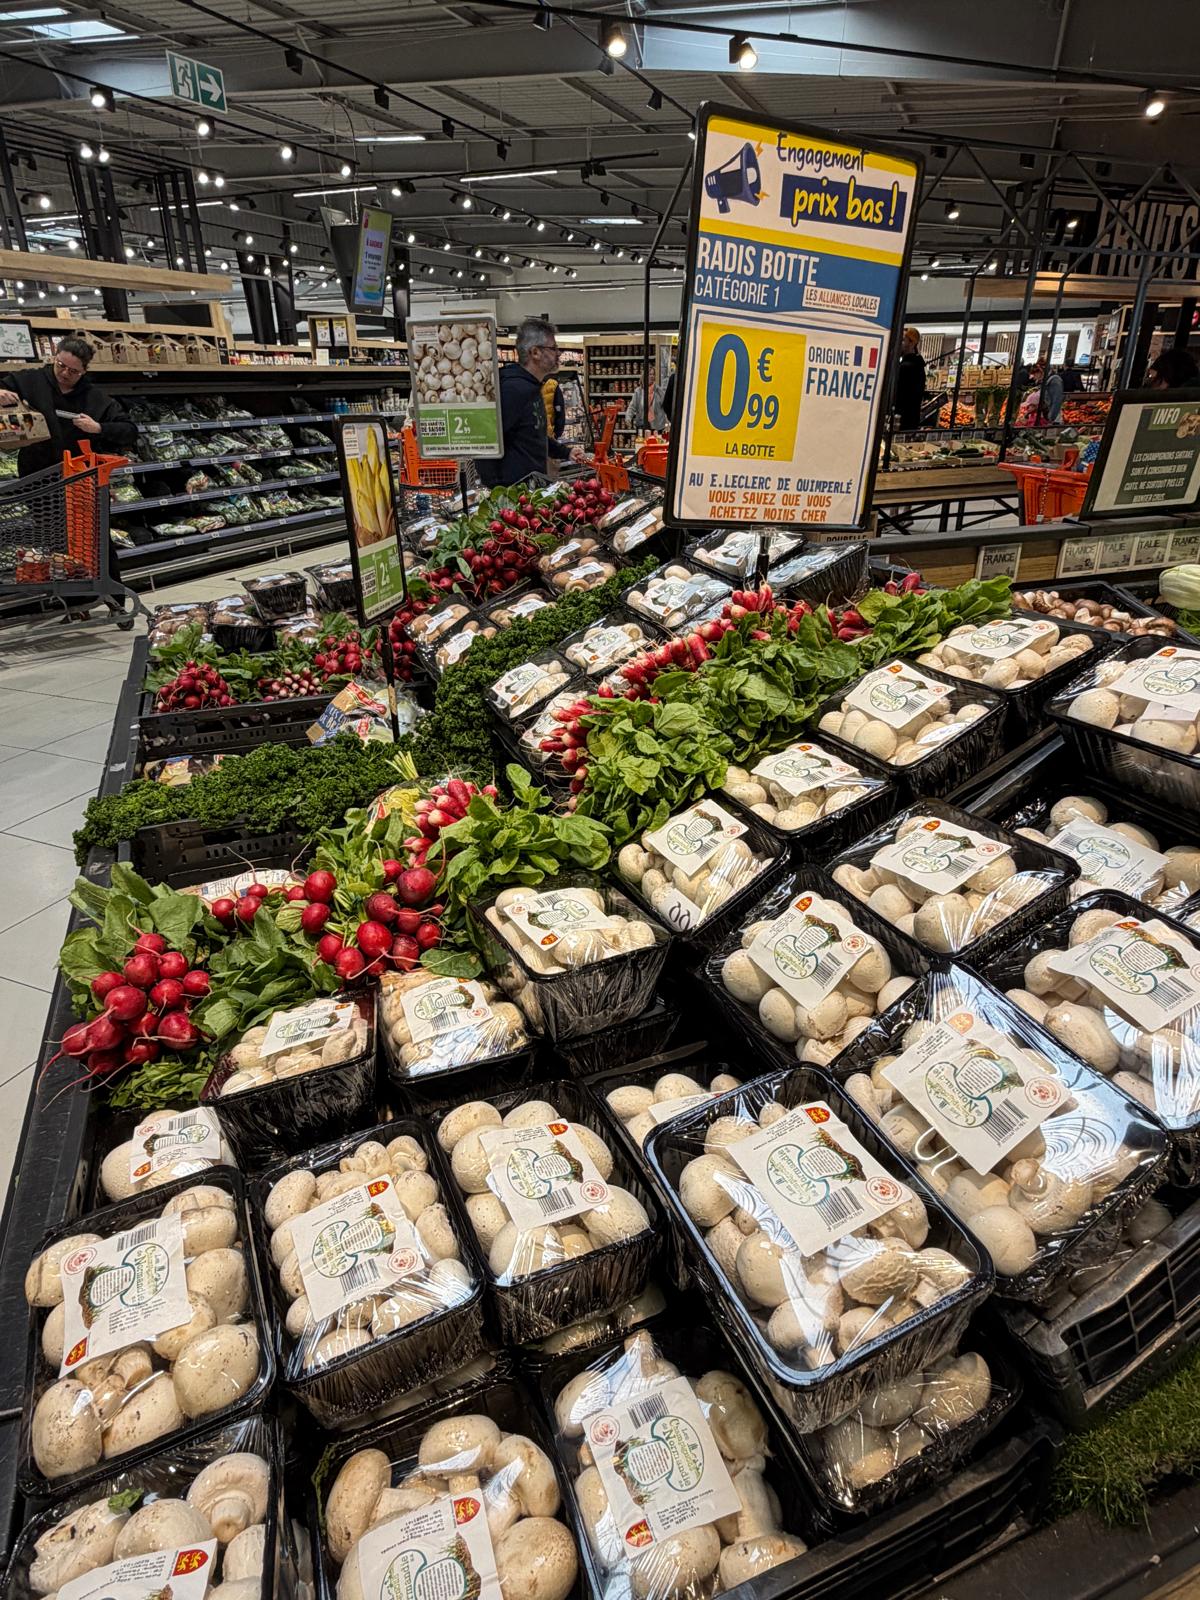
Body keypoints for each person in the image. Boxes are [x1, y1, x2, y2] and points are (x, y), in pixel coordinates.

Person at [0, 336, 137, 476]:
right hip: (34, 474)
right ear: (55, 357)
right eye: (60, 365)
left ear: (84, 370)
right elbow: (3, 386)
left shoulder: (95, 398)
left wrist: (98, 428)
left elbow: (130, 430)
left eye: (73, 371)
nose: (65, 373)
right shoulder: (30, 380)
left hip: (79, 475)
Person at [478, 319, 586, 488]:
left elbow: (535, 435)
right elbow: (487, 441)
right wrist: (497, 491)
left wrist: (566, 452)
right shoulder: (512, 390)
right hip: (513, 497)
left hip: (530, 493)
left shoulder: (532, 387)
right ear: (535, 352)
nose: (558, 353)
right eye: (553, 348)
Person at [894, 326, 926, 431]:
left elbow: (899, 396)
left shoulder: (906, 367)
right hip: (911, 422)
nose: (899, 344)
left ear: (912, 343)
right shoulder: (918, 365)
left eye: (903, 340)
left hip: (900, 422)